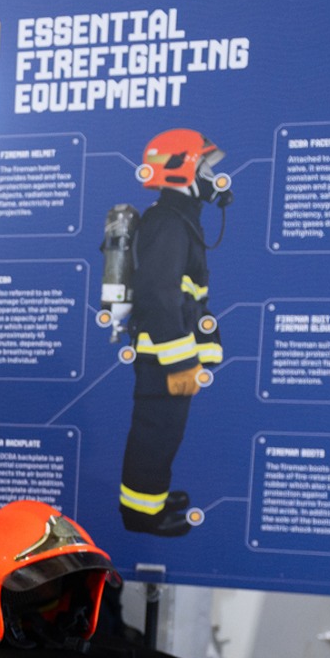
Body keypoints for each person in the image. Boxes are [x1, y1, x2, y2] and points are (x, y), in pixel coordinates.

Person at [119, 128, 228, 536]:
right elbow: (158, 297)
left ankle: (155, 495)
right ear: (181, 169)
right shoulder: (167, 223)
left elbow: (189, 296)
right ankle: (141, 514)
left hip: (172, 357)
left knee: (166, 433)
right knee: (154, 434)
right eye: (203, 166)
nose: (210, 176)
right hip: (163, 360)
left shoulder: (181, 220)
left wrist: (207, 345)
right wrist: (183, 361)